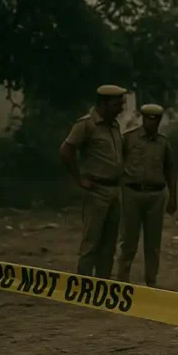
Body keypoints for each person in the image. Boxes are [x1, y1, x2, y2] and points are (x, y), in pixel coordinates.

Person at [59, 84, 127, 278]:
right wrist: (79, 179)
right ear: (103, 104)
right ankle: (84, 286)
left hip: (115, 191)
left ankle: (102, 285)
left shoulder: (114, 125)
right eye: (116, 104)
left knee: (109, 244)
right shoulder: (86, 125)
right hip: (97, 190)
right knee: (92, 242)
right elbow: (66, 151)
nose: (121, 108)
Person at [115, 104, 178, 287]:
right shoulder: (128, 138)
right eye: (149, 118)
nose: (153, 122)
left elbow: (170, 171)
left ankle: (151, 281)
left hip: (156, 195)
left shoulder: (164, 143)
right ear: (143, 118)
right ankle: (122, 280)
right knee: (128, 240)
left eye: (156, 118)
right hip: (132, 193)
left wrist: (173, 197)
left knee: (153, 243)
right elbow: (118, 164)